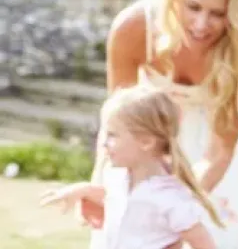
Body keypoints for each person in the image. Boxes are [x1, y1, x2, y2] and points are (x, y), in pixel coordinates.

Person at [85, 0, 238, 248]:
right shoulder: (134, 28)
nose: (200, 25)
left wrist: (172, 208)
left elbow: (219, 152)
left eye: (217, 14)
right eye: (193, 7)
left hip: (219, 155)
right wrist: (99, 187)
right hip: (150, 134)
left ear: (235, 13)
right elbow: (118, 124)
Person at [42, 86, 222, 249]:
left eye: (113, 135)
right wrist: (81, 190)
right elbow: (115, 198)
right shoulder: (118, 177)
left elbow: (202, 242)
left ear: (146, 141)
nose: (104, 143)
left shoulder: (170, 197)